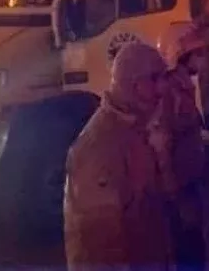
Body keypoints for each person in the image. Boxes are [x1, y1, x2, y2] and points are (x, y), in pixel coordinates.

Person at [64, 42, 172, 271]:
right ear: (133, 84)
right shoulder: (100, 146)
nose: (163, 89)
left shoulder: (135, 129)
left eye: (164, 78)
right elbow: (100, 245)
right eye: (154, 79)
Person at [157, 23, 209, 271]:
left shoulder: (185, 86)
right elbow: (163, 139)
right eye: (199, 54)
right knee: (186, 244)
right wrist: (170, 185)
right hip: (180, 183)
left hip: (189, 176)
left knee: (194, 240)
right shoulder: (170, 89)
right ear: (183, 55)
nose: (203, 60)